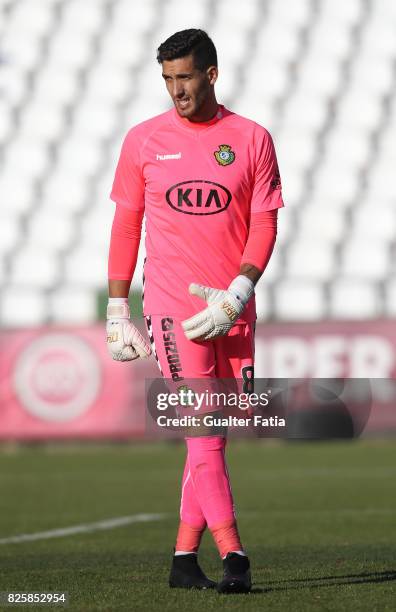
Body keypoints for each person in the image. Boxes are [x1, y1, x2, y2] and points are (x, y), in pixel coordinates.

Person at [106, 28, 284, 594]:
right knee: (202, 433)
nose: (176, 90)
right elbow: (126, 224)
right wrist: (117, 307)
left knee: (216, 433)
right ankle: (236, 556)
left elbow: (265, 223)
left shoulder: (252, 139)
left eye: (185, 77)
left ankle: (185, 561)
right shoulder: (142, 141)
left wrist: (239, 291)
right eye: (167, 79)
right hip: (169, 310)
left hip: (231, 306)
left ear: (211, 73)